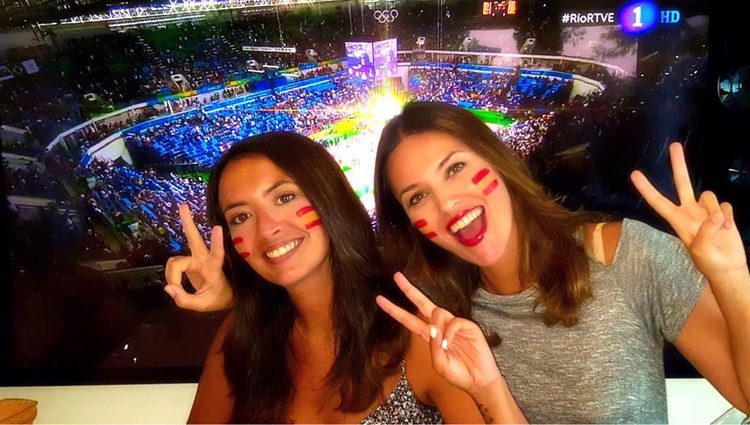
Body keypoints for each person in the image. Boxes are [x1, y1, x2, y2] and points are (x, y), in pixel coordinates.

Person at [372, 101, 750, 422]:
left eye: (455, 168)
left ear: (497, 160)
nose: (448, 205)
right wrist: (490, 390)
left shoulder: (628, 256)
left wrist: (732, 277)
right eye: (417, 198)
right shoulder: (447, 322)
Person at [163, 131, 525, 423]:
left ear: (328, 197)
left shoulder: (415, 334)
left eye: (285, 197)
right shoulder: (242, 335)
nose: (268, 229)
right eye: (241, 217)